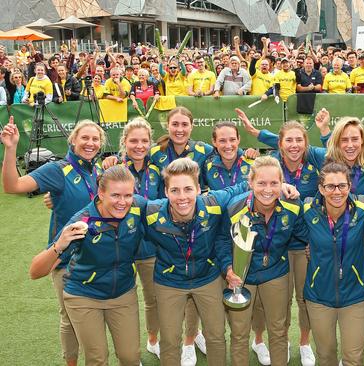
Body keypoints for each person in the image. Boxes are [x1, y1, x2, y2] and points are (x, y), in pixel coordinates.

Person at [3, 119, 107, 366]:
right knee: (69, 318)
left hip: (99, 259)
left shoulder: (99, 171)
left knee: (97, 316)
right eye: (85, 138)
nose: (90, 143)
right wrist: (10, 148)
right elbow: (12, 186)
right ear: (73, 140)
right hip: (66, 261)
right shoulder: (58, 170)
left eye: (95, 139)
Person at [29, 165, 144, 366]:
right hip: (84, 296)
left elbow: (169, 208)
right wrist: (59, 245)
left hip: (123, 293)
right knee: (97, 359)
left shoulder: (138, 207)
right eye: (115, 195)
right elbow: (35, 271)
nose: (122, 202)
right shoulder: (82, 222)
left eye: (128, 195)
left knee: (130, 357)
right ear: (101, 192)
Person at [144, 158, 247, 366]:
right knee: (170, 340)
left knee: (216, 335)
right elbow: (122, 203)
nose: (182, 197)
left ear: (199, 189)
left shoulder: (214, 203)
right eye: (175, 190)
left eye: (188, 189)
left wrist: (283, 185)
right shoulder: (151, 212)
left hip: (207, 278)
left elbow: (244, 185)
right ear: (166, 192)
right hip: (169, 281)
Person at [224, 156, 307, 366]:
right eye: (261, 183)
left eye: (274, 183)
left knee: (278, 331)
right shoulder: (235, 208)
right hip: (243, 276)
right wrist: (227, 267)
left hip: (276, 273)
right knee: (240, 333)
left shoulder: (293, 205)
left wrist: (314, 244)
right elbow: (221, 241)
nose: (267, 189)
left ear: (282, 183)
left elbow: (306, 232)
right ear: (250, 183)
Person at [298, 162, 364, 366]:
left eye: (342, 185)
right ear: (321, 188)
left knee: (353, 358)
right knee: (326, 356)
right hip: (319, 297)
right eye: (330, 186)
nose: (337, 192)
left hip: (355, 296)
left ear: (349, 186)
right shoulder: (307, 209)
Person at [118, 118, 165, 357]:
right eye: (133, 141)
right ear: (124, 142)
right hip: (119, 245)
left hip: (148, 244)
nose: (139, 145)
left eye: (144, 141)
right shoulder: (112, 169)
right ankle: (129, 351)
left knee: (152, 298)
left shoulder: (157, 168)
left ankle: (153, 340)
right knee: (123, 304)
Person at [149, 106, 214, 172]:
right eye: (175, 124)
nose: (180, 130)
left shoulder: (205, 151)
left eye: (184, 124)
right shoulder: (154, 152)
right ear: (167, 126)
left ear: (191, 127)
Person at [202, 121, 254, 190]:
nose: (228, 145)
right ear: (214, 142)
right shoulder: (208, 167)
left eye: (232, 140)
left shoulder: (253, 164)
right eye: (222, 141)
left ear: (238, 139)